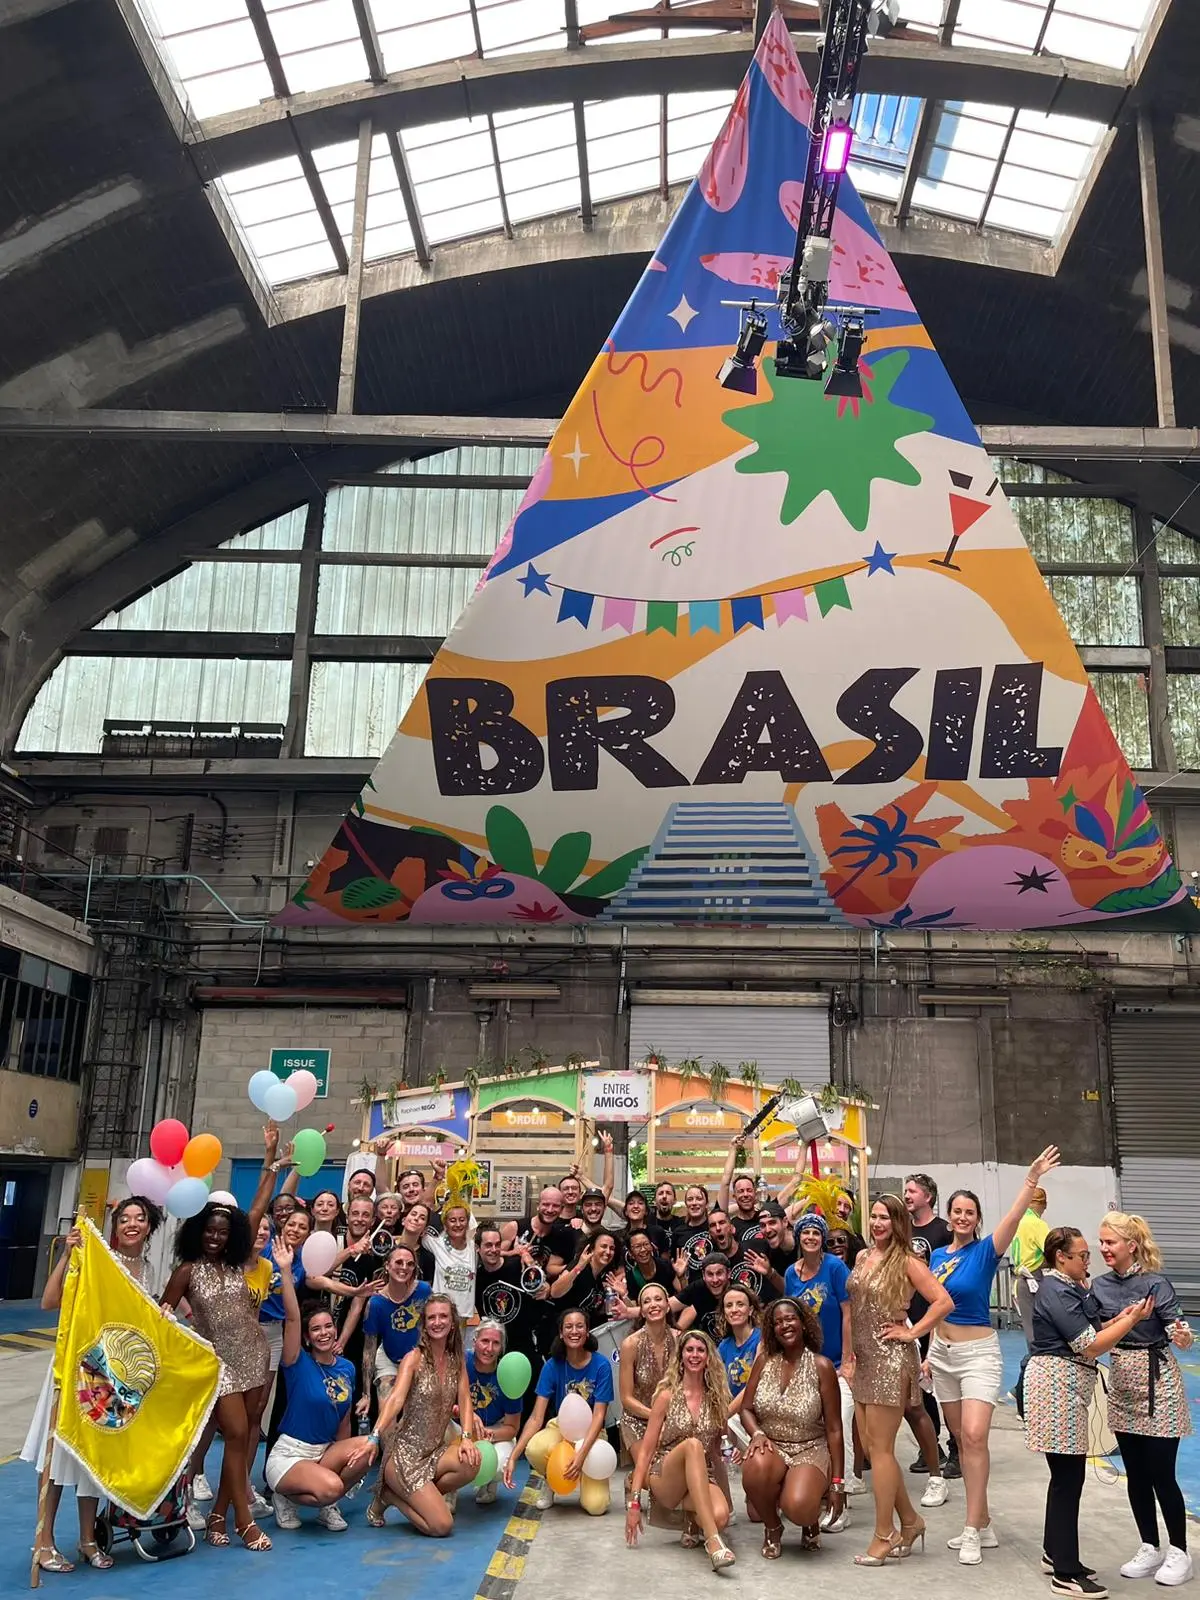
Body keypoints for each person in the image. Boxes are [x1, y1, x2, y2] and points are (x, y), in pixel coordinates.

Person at [929, 1149, 1061, 1565]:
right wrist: (928, 1352)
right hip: (941, 1354)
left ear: (977, 1219)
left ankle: (971, 1528)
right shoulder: (936, 1257)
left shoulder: (986, 1251)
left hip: (978, 1355)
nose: (963, 1217)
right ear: (948, 1216)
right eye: (957, 1211)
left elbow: (1016, 1216)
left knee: (974, 1436)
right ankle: (982, 1521)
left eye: (970, 1212)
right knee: (959, 1439)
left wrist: (1031, 1180)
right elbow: (935, 1308)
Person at [25, 1197, 163, 1573]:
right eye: (124, 1218)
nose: (132, 1224)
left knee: (94, 1457)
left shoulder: (150, 1271)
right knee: (58, 1455)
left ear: (149, 1227)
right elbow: (50, 1302)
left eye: (140, 1218)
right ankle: (44, 1541)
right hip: (75, 1368)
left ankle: (88, 1539)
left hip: (112, 1377)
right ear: (114, 1226)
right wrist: (68, 1255)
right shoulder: (96, 1260)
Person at [161, 1127, 281, 1553]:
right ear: (198, 1232)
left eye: (222, 1232)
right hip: (219, 1364)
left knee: (244, 1437)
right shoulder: (186, 1271)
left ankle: (218, 1516)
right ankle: (244, 1522)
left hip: (254, 1354)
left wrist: (270, 1159)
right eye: (209, 1231)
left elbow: (258, 1207)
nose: (216, 1237)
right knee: (234, 1433)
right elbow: (162, 1315)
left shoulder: (237, 1264)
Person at [1025, 1226, 1155, 1599]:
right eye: (1082, 1255)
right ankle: (1065, 1573)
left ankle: (1056, 1552)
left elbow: (1092, 1328)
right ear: (1060, 1257)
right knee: (1068, 1478)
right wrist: (1131, 1321)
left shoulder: (1067, 1288)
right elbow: (1090, 1344)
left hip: (1066, 1388)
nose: (1089, 1260)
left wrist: (1120, 1318)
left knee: (1064, 1477)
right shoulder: (1056, 1291)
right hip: (1056, 1388)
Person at [847, 1193, 954, 1566]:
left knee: (881, 1451)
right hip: (865, 1360)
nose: (878, 1224)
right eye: (874, 1217)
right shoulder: (862, 1257)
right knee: (869, 1446)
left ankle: (884, 1534)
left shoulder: (909, 1261)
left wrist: (912, 1332)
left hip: (891, 1360)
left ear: (899, 1223)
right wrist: (851, 1356)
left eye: (886, 1218)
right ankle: (910, 1522)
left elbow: (943, 1302)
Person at [1093, 1212, 1194, 1588]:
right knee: (1135, 1473)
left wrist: (1183, 1336)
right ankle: (1149, 1545)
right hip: (1122, 1379)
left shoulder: (1156, 1283)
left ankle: (1180, 1551)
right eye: (1101, 1242)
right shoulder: (1099, 1286)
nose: (1103, 1248)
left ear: (1131, 1245)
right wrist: (1120, 1321)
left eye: (1110, 1242)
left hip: (1159, 1382)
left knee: (1161, 1473)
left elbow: (1177, 1327)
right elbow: (1093, 1329)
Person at [352, 1294, 479, 1536]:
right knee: (442, 1526)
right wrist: (374, 1437)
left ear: (452, 1323)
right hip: (404, 1459)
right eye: (432, 1318)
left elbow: (464, 1399)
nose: (437, 1322)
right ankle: (391, 1495)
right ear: (424, 1324)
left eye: (443, 1316)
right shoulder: (413, 1359)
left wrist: (466, 1437)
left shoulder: (456, 1360)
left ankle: (412, 1497)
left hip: (433, 1453)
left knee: (471, 1461)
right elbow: (395, 1399)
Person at [265, 1238, 363, 1532]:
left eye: (328, 1326)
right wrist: (285, 1271)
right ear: (307, 1337)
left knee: (368, 1448)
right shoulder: (297, 1361)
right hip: (290, 1454)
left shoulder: (347, 1368)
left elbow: (344, 1418)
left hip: (324, 1452)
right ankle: (285, 1496)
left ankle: (326, 1504)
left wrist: (342, 1453)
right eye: (316, 1329)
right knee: (332, 1487)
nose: (324, 1333)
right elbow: (293, 1319)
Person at [741, 1297, 845, 1559]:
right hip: (772, 1444)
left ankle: (810, 1517)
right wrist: (757, 1433)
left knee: (798, 1506)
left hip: (810, 1448)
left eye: (790, 1319)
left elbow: (834, 1429)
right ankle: (773, 1527)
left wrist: (838, 1483)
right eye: (778, 1322)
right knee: (754, 1467)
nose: (784, 1325)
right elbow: (746, 1409)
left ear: (803, 1323)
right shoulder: (764, 1361)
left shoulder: (822, 1366)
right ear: (771, 1329)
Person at [625, 1330, 735, 1571]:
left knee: (721, 1516)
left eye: (700, 1350)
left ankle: (693, 1522)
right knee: (693, 1445)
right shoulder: (666, 1396)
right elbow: (646, 1451)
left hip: (702, 1473)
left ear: (708, 1357)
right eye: (689, 1350)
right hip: (666, 1474)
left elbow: (718, 1449)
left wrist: (732, 1453)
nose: (695, 1355)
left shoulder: (717, 1399)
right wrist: (634, 1503)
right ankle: (713, 1542)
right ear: (681, 1357)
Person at [784, 1211, 861, 1508]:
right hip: (807, 1363)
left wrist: (848, 1361)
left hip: (837, 1363)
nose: (811, 1237)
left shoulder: (835, 1267)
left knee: (840, 1424)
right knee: (812, 1427)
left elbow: (848, 1314)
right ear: (799, 1238)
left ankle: (844, 1494)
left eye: (816, 1233)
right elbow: (791, 1319)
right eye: (806, 1233)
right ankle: (817, 1487)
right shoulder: (791, 1273)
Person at [504, 1308, 613, 1514]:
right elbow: (536, 1418)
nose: (574, 1331)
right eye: (568, 1327)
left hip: (593, 1432)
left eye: (580, 1326)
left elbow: (599, 1415)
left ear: (587, 1331)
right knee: (535, 1448)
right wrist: (513, 1456)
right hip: (562, 1428)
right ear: (561, 1333)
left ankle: (587, 1479)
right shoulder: (552, 1366)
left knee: (596, 1507)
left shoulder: (601, 1365)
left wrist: (581, 1456)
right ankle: (551, 1480)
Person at [902, 1172, 955, 1492]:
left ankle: (956, 1447)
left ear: (928, 1196)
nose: (907, 1195)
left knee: (945, 1384)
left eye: (912, 1191)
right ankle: (931, 1445)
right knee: (918, 1387)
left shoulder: (944, 1231)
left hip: (939, 1317)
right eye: (906, 1191)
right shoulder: (903, 1230)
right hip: (910, 1320)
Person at [352, 1243, 431, 1406]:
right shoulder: (376, 1303)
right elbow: (369, 1349)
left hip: (420, 1357)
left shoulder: (424, 1291)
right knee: (387, 1409)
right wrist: (366, 1394)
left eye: (410, 1264)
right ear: (387, 1266)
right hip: (389, 1358)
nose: (404, 1267)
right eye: (399, 1262)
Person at [465, 1319, 522, 1506]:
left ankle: (489, 1482)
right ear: (474, 1341)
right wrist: (467, 1415)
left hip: (494, 1429)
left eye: (495, 1343)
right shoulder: (461, 1362)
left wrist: (488, 1434)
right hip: (461, 1427)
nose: (489, 1348)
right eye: (485, 1341)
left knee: (500, 1464)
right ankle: (448, 1491)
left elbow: (512, 1427)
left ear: (501, 1348)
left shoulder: (510, 1373)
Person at [618, 1282, 677, 1465]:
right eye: (647, 1301)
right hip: (638, 1420)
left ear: (668, 1306)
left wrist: (672, 1418)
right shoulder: (630, 1345)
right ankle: (635, 1477)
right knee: (652, 1473)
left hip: (673, 1418)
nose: (653, 1304)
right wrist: (656, 1416)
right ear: (642, 1312)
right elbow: (626, 1398)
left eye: (658, 1299)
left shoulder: (681, 1340)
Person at [552, 1230, 628, 1326]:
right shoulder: (579, 1266)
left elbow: (601, 1311)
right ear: (592, 1249)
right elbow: (554, 1292)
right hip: (564, 1326)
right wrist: (578, 1268)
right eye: (603, 1246)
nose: (608, 1252)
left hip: (588, 1328)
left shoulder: (605, 1275)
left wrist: (622, 1295)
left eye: (612, 1248)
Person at [502, 1187, 574, 1282]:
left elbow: (551, 1270)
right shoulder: (515, 1227)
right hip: (512, 1286)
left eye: (556, 1206)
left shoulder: (560, 1236)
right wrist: (514, 1252)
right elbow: (493, 1256)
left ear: (562, 1209)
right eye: (546, 1204)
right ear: (538, 1205)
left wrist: (574, 1266)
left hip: (540, 1288)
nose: (550, 1210)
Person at [734, 1201, 793, 1306]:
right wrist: (770, 1273)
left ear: (785, 1222)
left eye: (772, 1223)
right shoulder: (767, 1250)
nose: (767, 1230)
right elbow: (790, 1291)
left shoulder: (804, 1242)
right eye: (762, 1225)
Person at [425, 1203, 477, 1321]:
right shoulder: (435, 1243)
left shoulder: (474, 1247)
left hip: (463, 1315)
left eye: (462, 1220)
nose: (458, 1224)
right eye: (452, 1220)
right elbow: (412, 1237)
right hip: (440, 1314)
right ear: (445, 1224)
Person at [1012, 1185, 1050, 1346]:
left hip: (1020, 1281)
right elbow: (1051, 1251)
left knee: (1030, 1330)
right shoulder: (1037, 1224)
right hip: (1036, 1279)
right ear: (1043, 1204)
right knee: (1042, 1331)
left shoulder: (1017, 1222)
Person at [717, 1284, 761, 1403]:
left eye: (740, 1304)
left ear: (750, 1310)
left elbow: (753, 1386)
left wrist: (727, 1412)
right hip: (731, 1408)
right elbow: (717, 1384)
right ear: (724, 1313)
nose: (734, 1310)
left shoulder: (762, 1339)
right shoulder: (723, 1346)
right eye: (729, 1305)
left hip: (755, 1408)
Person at [671, 1252, 731, 1338]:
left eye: (719, 1273)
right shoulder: (698, 1287)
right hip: (704, 1344)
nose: (715, 1280)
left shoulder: (738, 1291)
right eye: (710, 1274)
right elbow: (665, 1306)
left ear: (728, 1273)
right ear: (703, 1275)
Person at [718, 1138, 763, 1245]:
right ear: (734, 1196)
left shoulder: (765, 1218)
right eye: (741, 1191)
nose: (745, 1194)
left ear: (755, 1193)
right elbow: (725, 1182)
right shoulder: (730, 1226)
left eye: (749, 1190)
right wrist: (733, 1148)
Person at [624, 1228, 674, 1296]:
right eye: (637, 1246)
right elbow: (633, 1302)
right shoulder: (631, 1277)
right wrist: (624, 1295)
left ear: (652, 1246)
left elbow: (682, 1295)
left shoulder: (666, 1266)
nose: (643, 1249)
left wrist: (681, 1277)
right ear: (630, 1253)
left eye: (646, 1244)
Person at [397, 1200, 436, 1283]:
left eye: (422, 1218)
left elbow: (427, 1287)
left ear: (424, 1230)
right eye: (413, 1214)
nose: (416, 1218)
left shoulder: (427, 1258)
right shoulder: (386, 1247)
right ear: (403, 1220)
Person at [622, 1190, 670, 1257]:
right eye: (631, 1203)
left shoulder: (658, 1232)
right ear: (626, 1212)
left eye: (640, 1203)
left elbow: (665, 1261)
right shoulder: (620, 1236)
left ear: (646, 1211)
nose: (636, 1206)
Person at [835, 1191, 868, 1265]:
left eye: (846, 1206)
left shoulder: (857, 1240)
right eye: (838, 1204)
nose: (841, 1209)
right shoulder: (819, 1235)